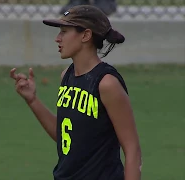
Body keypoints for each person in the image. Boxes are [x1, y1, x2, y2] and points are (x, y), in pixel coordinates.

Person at [10, 5, 142, 180]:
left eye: (64, 31)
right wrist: (33, 101)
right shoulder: (67, 76)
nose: (57, 39)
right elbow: (65, 136)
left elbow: (132, 149)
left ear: (86, 35)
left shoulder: (106, 83)